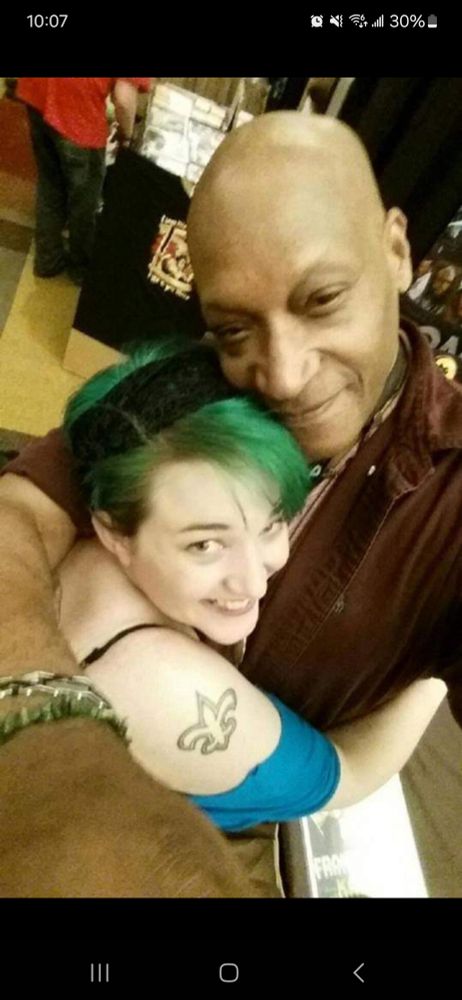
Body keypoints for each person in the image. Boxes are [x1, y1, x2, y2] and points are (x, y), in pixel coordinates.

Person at [0, 111, 461, 894]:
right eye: (236, 328)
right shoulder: (194, 383)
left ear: (395, 250)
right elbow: (24, 505)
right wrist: (48, 723)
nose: (281, 374)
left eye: (322, 300)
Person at [56, 338, 444, 859]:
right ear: (115, 533)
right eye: (205, 545)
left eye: (271, 524)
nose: (253, 584)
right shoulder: (172, 691)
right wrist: (439, 663)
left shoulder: (74, 535)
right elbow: (349, 775)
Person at [17, 77, 151, 284]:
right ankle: (81, 268)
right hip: (78, 115)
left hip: (37, 91)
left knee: (50, 181)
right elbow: (124, 100)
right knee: (85, 202)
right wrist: (127, 137)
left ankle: (47, 259)